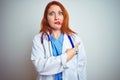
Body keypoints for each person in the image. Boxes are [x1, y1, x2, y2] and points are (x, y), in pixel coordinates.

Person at [31, 1, 87, 80]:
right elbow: (39, 67)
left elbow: (81, 69)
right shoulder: (39, 39)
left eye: (60, 13)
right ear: (46, 18)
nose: (56, 17)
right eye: (52, 13)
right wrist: (66, 57)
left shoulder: (75, 39)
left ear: (64, 17)